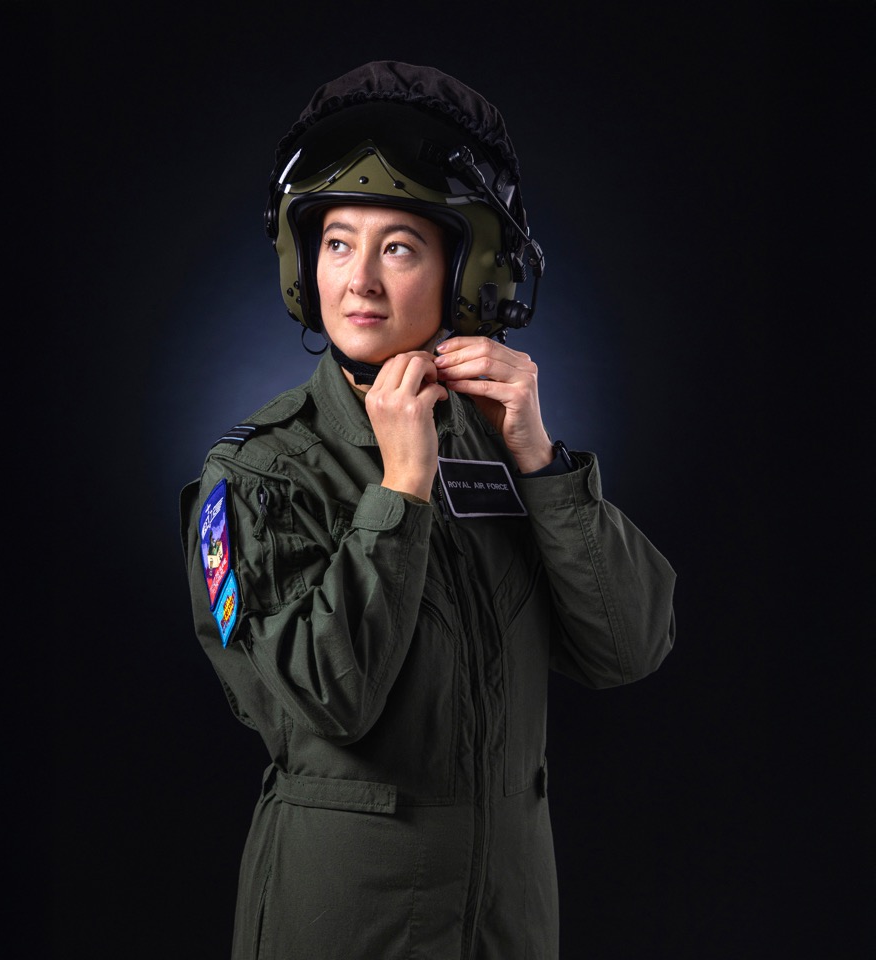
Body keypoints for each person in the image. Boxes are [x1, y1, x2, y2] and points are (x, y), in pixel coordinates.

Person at [179, 60, 676, 959]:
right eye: (337, 242)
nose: (360, 279)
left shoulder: (499, 444)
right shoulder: (257, 474)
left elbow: (630, 644)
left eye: (399, 246)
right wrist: (398, 492)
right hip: (346, 926)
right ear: (304, 260)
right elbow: (327, 703)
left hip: (507, 919)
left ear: (462, 267)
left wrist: (541, 458)